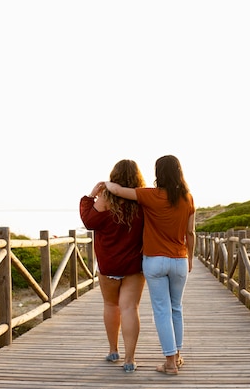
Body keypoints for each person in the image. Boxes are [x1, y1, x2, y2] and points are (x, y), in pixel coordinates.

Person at [104, 154, 196, 376]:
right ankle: (178, 355)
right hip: (179, 260)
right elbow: (190, 232)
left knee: (162, 311)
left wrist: (104, 185)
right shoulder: (188, 198)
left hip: (154, 261)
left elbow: (117, 191)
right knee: (176, 309)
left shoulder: (150, 195)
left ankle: (170, 363)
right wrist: (190, 258)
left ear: (158, 173)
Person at [79, 159, 146, 373]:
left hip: (108, 265)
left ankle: (113, 350)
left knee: (111, 305)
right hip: (134, 264)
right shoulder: (141, 197)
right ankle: (129, 359)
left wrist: (90, 196)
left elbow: (89, 221)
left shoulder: (106, 197)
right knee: (130, 308)